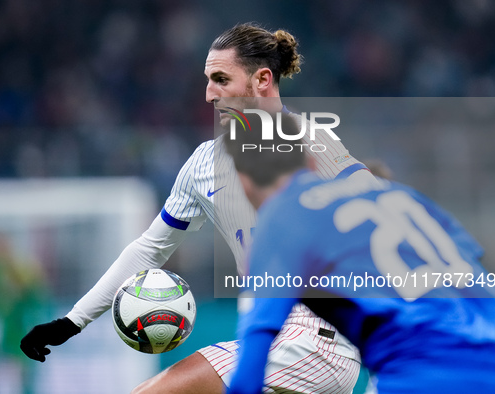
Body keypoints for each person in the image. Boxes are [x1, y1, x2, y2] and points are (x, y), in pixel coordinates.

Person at [21, 23, 374, 393]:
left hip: (313, 341)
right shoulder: (205, 163)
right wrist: (73, 321)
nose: (209, 94)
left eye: (221, 79)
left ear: (263, 80)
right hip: (274, 340)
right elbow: (150, 248)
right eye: (208, 80)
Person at [223, 114, 495, 393]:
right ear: (311, 163)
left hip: (425, 374)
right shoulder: (401, 194)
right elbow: (474, 264)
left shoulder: (281, 220)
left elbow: (248, 376)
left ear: (243, 181)